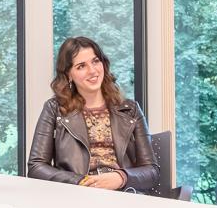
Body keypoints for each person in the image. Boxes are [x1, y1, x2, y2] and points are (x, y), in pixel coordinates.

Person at [27, 36, 159, 193]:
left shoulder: (131, 109)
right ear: (69, 74)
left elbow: (151, 170)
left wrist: (121, 177)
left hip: (124, 195)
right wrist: (80, 181)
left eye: (96, 61)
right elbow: (36, 166)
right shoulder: (54, 109)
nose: (92, 71)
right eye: (81, 66)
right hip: (77, 196)